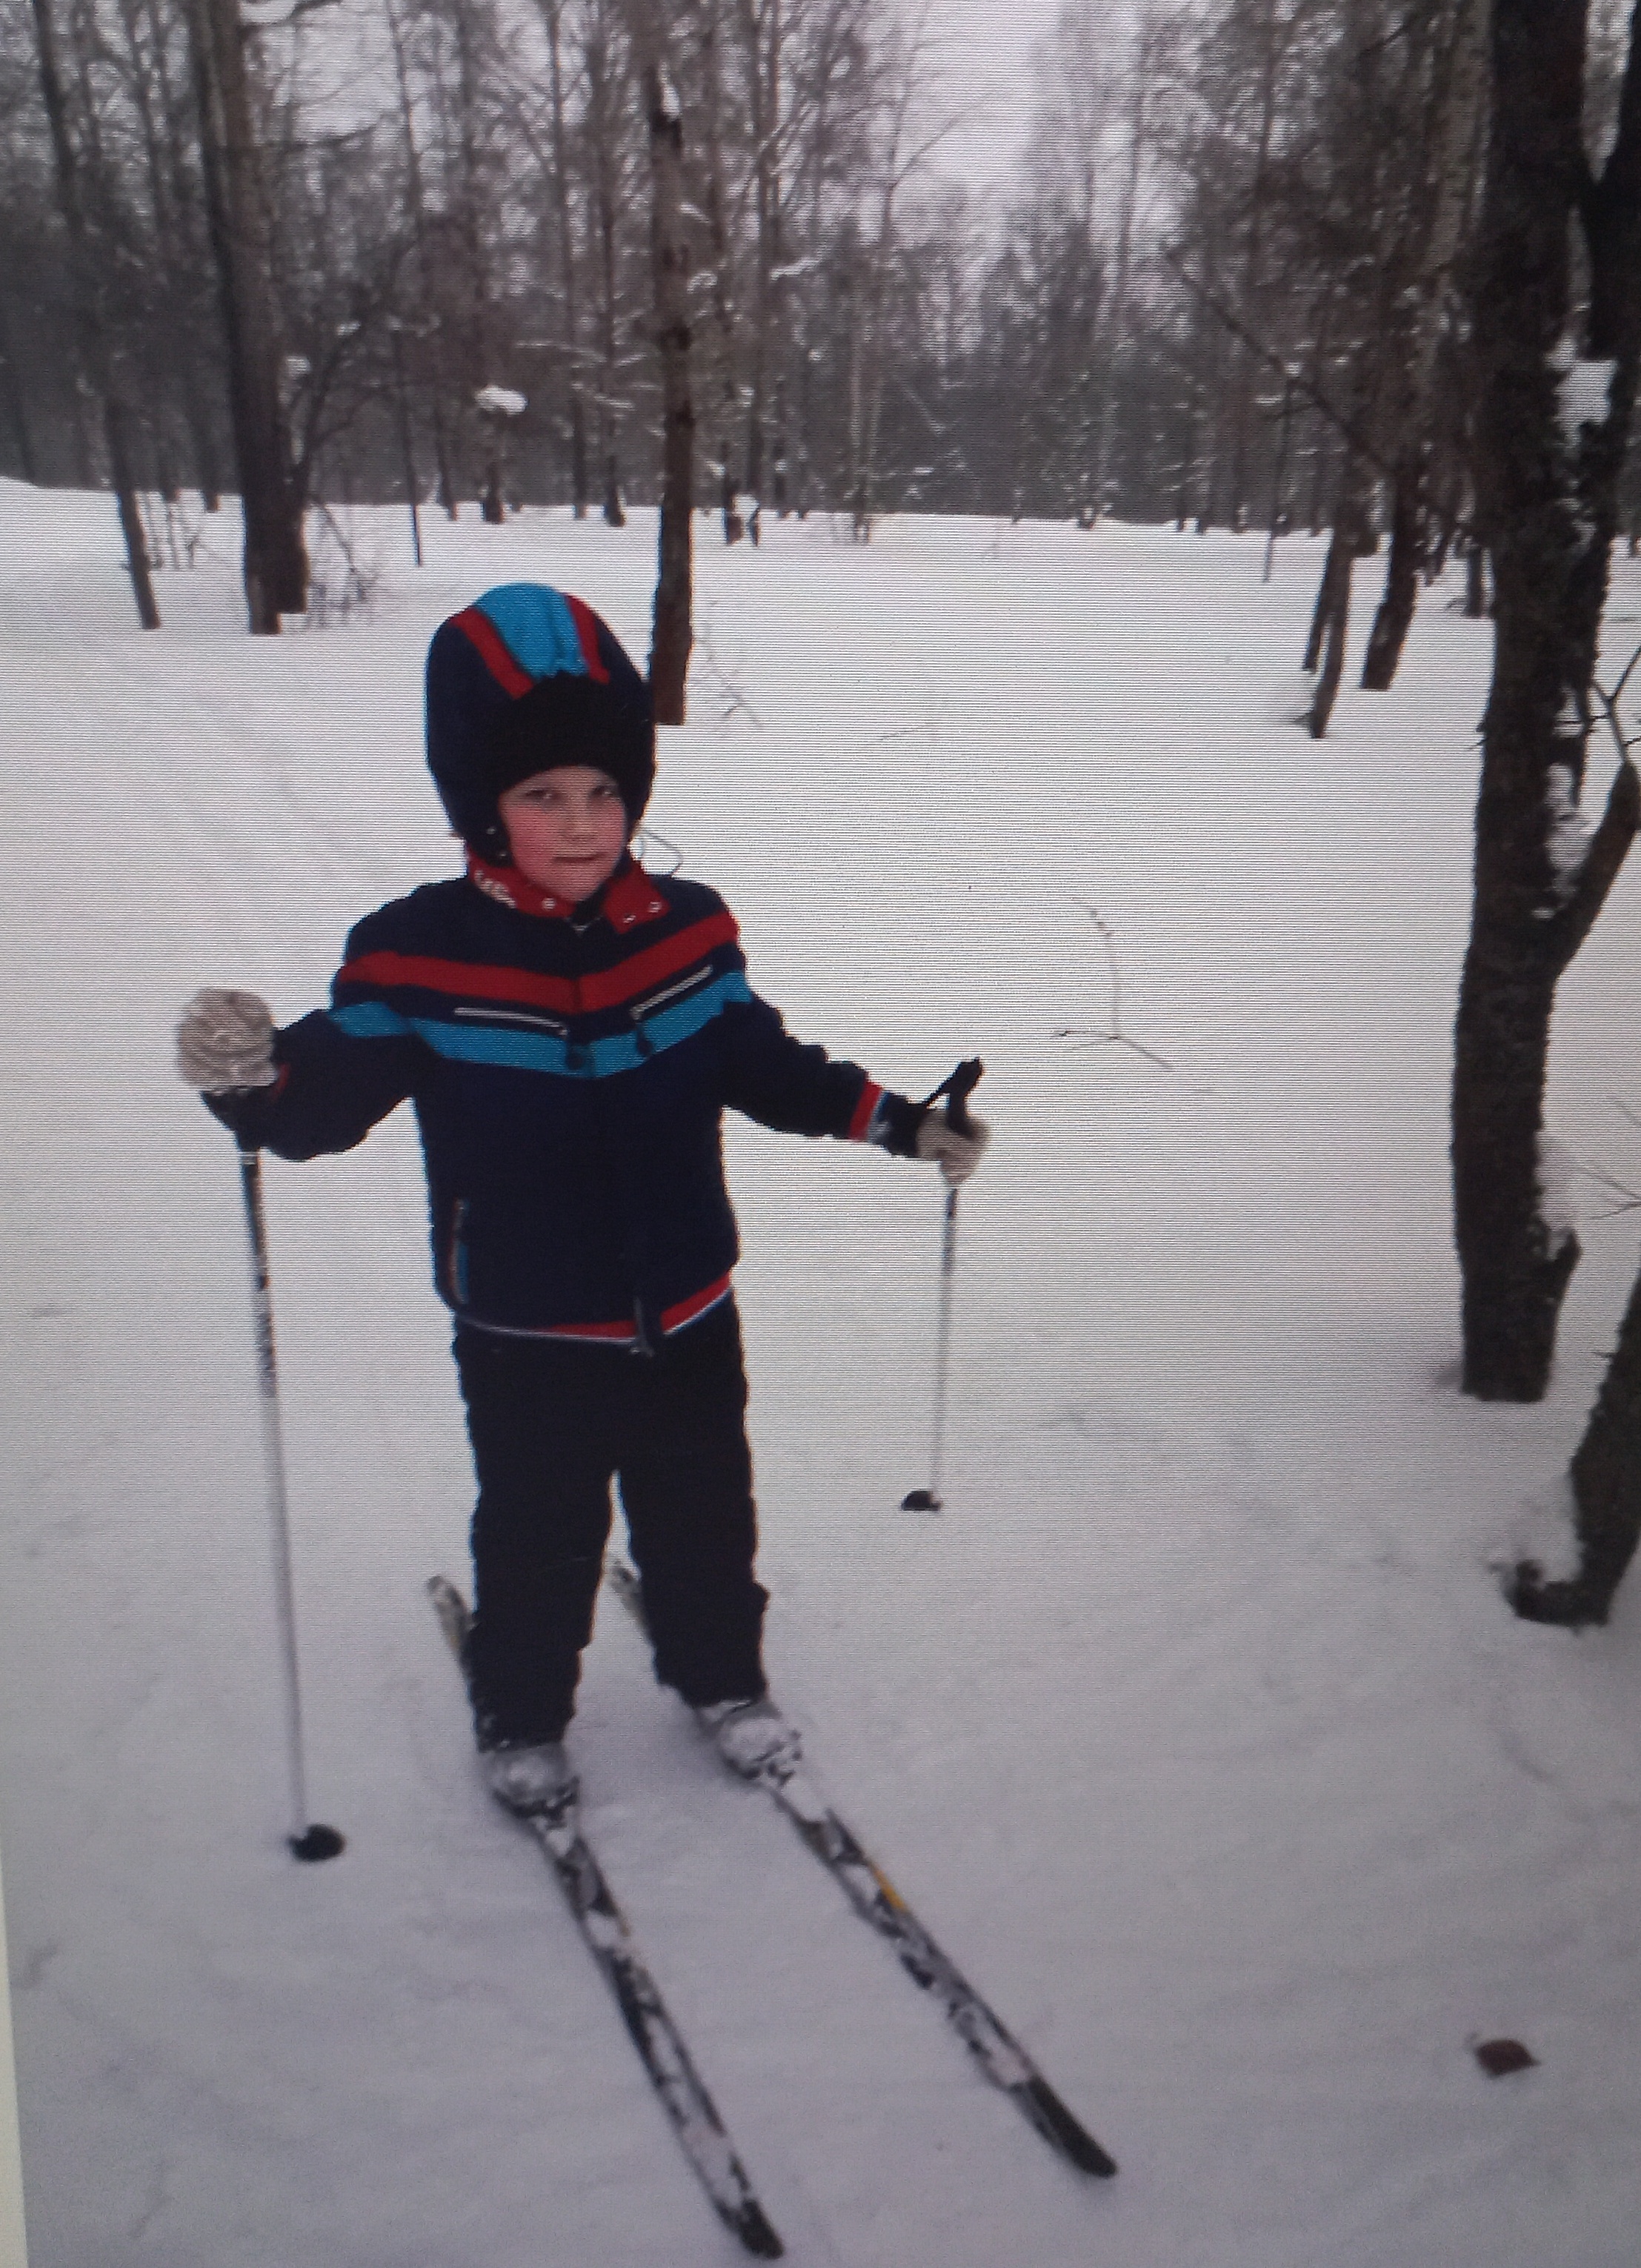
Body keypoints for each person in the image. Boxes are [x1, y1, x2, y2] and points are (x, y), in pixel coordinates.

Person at [175, 582, 988, 1818]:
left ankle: (722, 1678)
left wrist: (901, 1121)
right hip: (526, 1324)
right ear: (482, 809)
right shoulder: (417, 953)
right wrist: (251, 1077)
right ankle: (522, 1712)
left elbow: (765, 1064)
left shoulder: (688, 930)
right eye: (542, 795)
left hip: (688, 1303)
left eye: (605, 792)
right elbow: (323, 1101)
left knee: (708, 1517)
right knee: (540, 1534)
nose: (582, 822)